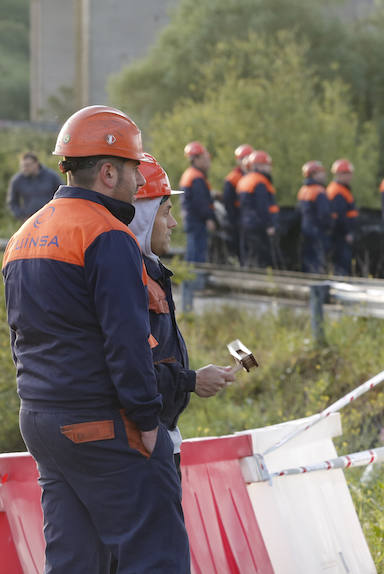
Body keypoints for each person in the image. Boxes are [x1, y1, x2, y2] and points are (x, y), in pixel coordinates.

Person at [1, 105, 189, 572]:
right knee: (155, 554)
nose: (137, 184)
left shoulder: (25, 235)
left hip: (42, 420)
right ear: (107, 171)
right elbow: (126, 343)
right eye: (131, 170)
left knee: (73, 561)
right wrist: (148, 423)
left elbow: (19, 337)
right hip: (104, 423)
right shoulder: (107, 235)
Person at [129, 154, 236, 476]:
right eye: (166, 212)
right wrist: (191, 380)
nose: (174, 223)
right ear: (143, 217)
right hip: (141, 443)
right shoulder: (127, 277)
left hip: (155, 435)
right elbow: (130, 366)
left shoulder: (148, 271)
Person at [237, 150, 279, 268]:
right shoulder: (260, 181)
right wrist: (269, 224)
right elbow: (263, 206)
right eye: (266, 165)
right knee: (261, 258)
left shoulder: (245, 179)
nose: (269, 168)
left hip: (246, 223)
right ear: (258, 165)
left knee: (249, 256)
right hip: (259, 225)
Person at [179, 141, 216, 262]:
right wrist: (209, 218)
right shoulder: (197, 177)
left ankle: (189, 280)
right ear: (196, 159)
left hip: (191, 219)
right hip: (197, 221)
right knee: (197, 257)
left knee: (192, 254)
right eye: (205, 158)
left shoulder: (189, 174)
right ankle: (194, 281)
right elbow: (201, 202)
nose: (208, 162)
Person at [296, 160, 331, 274]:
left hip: (305, 230)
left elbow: (299, 211)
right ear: (314, 174)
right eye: (321, 172)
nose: (324, 175)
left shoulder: (303, 190)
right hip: (317, 231)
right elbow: (324, 214)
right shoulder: (319, 191)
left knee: (307, 260)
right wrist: (329, 227)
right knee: (317, 261)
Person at [6, 151, 62, 221]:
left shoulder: (52, 176)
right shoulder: (17, 180)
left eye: (27, 165)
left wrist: (58, 213)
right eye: (22, 166)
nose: (24, 168)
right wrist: (21, 216)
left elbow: (62, 195)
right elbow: (12, 202)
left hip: (51, 218)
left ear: (36, 164)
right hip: (29, 221)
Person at [326, 158, 359, 276]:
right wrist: (347, 232)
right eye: (347, 174)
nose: (350, 177)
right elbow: (340, 216)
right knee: (342, 263)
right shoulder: (338, 191)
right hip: (340, 235)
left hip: (339, 234)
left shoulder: (340, 189)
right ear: (340, 174)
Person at [223, 144, 254, 262]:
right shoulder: (233, 178)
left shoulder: (253, 176)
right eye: (243, 158)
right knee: (241, 247)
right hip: (237, 217)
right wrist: (233, 220)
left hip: (248, 218)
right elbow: (228, 201)